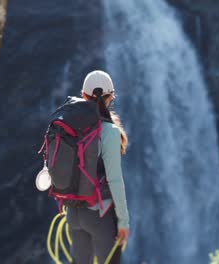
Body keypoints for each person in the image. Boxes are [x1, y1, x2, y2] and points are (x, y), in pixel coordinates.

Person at [65, 70, 130, 264]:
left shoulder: (68, 126)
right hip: (99, 214)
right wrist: (123, 222)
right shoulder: (109, 132)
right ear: (111, 97)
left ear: (83, 95)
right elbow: (115, 181)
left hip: (73, 214)